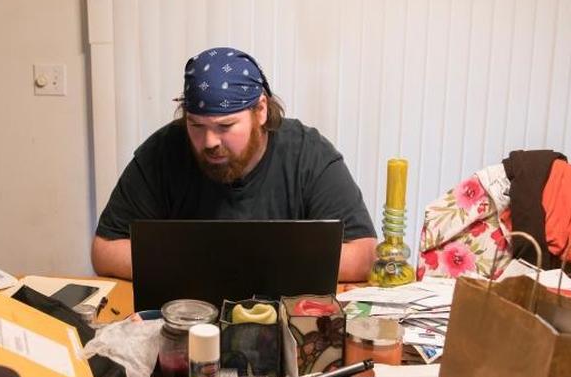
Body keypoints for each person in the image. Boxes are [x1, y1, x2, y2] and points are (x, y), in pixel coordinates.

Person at [91, 46, 377, 281]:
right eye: (196, 125)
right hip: (186, 318)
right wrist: (205, 265)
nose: (209, 141)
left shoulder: (308, 155)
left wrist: (251, 264)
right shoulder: (162, 152)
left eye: (225, 126)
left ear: (261, 110)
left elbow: (364, 255)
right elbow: (104, 250)